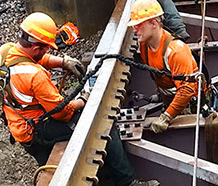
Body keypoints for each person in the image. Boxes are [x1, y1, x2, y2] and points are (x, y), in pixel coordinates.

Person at [0, 12, 159, 186]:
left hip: (19, 124)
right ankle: (127, 182)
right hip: (37, 129)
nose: (48, 50)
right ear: (36, 47)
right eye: (46, 47)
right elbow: (63, 113)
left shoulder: (7, 50)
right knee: (103, 124)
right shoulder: (35, 76)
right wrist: (84, 99)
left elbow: (36, 58)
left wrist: (63, 61)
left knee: (49, 163)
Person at [128, 0, 210, 134]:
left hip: (191, 104)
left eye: (139, 25)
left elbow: (186, 90)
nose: (135, 30)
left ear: (153, 23)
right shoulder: (144, 47)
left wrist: (166, 116)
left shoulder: (175, 51)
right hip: (171, 98)